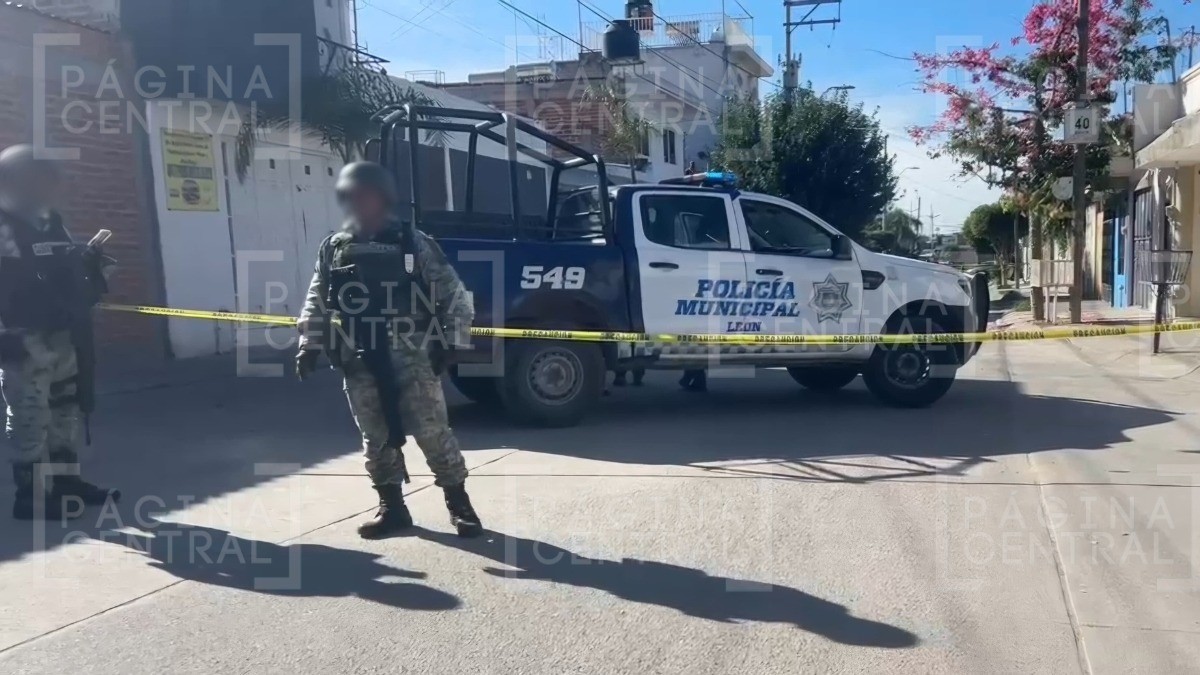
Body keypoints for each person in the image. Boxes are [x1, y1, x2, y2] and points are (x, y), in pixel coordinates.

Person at [295, 161, 482, 540]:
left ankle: (459, 505)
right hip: (359, 355)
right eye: (352, 196)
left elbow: (454, 295)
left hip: (412, 355)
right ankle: (392, 508)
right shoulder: (334, 248)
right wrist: (309, 342)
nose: (359, 203)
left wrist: (453, 342)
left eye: (366, 195)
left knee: (433, 432)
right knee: (375, 437)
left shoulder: (413, 243)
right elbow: (318, 297)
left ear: (383, 198)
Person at [0, 144, 119, 521]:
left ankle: (66, 483)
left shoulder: (51, 221)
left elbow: (61, 264)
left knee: (65, 408)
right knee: (30, 413)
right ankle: (32, 495)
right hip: (21, 336)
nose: (51, 188)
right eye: (41, 180)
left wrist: (87, 262)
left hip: (62, 332)